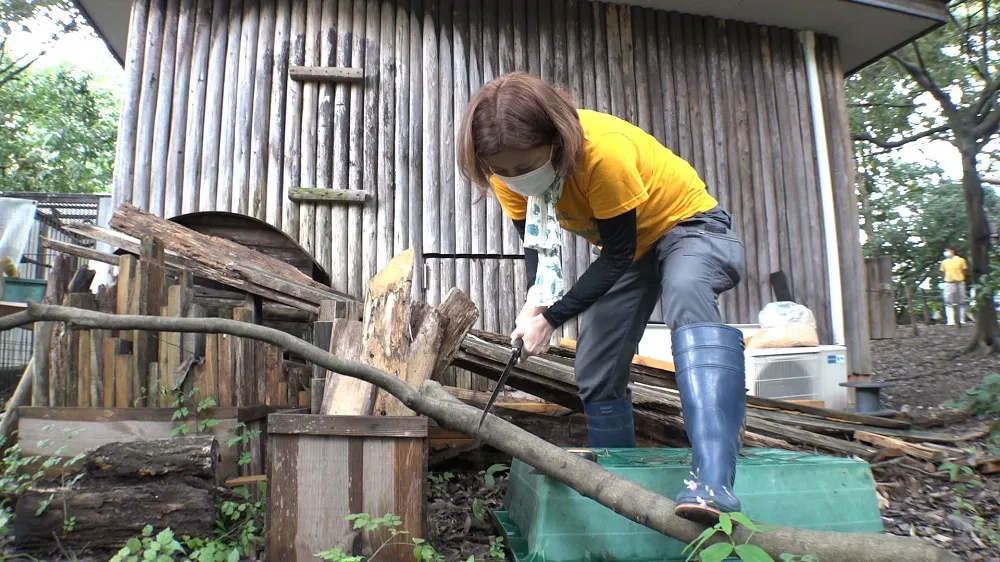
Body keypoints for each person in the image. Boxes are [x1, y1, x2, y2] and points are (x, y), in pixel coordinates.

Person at [457, 72, 747, 523]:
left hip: (688, 226)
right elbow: (535, 248)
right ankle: (622, 485)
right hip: (631, 251)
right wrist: (534, 303)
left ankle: (714, 483)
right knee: (594, 362)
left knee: (685, 290)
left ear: (555, 140)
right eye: (503, 170)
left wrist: (551, 318)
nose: (513, 178)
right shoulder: (504, 175)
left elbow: (616, 255)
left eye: (524, 165)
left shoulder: (601, 152)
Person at [940, 248, 968, 326]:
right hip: (948, 283)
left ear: (952, 251)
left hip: (959, 282)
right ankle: (950, 320)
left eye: (947, 251)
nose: (946, 252)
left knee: (961, 301)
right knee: (948, 302)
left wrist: (960, 277)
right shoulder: (944, 262)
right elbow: (942, 272)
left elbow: (964, 270)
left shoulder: (961, 260)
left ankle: (961, 320)